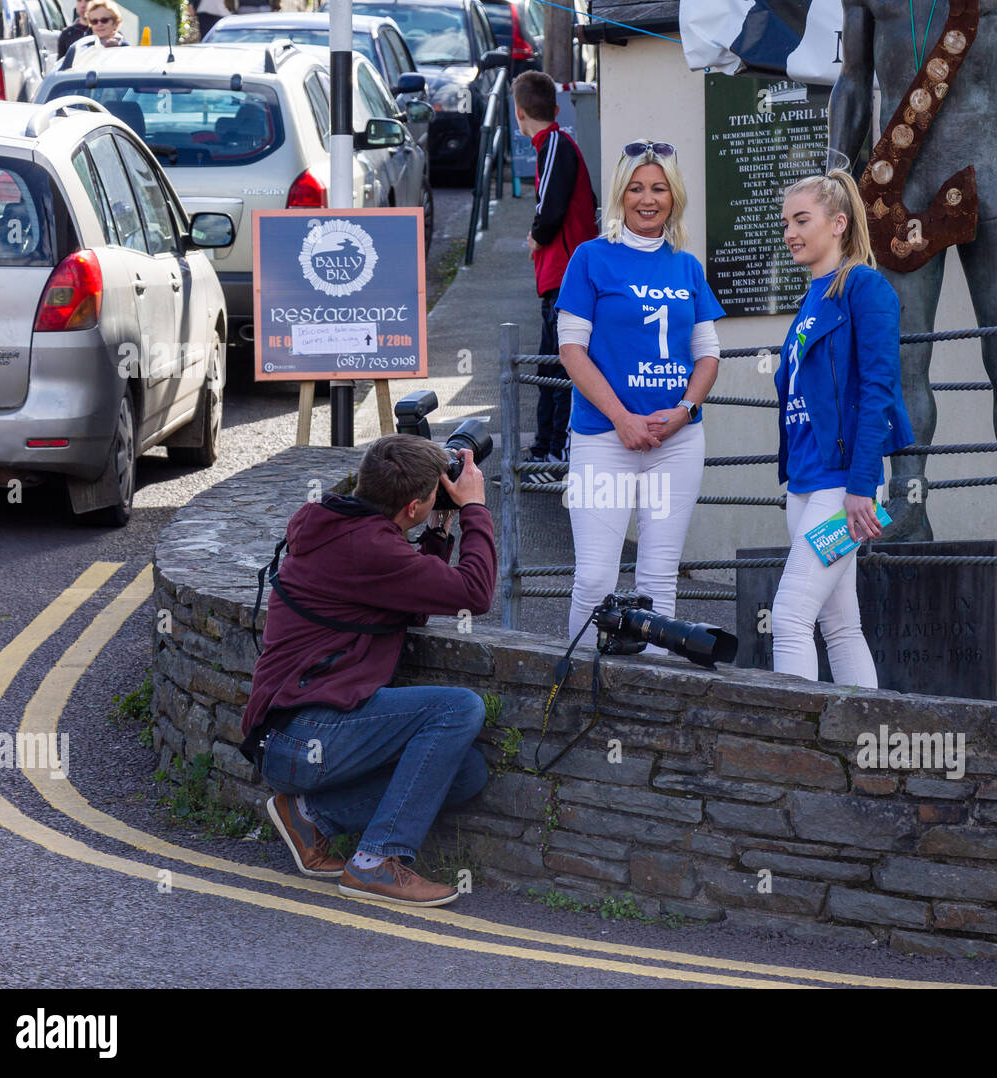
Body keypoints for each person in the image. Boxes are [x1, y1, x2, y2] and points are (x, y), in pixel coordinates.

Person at [829, 0, 997, 541]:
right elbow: (851, 81)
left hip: (988, 179)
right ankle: (908, 502)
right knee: (902, 359)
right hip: (902, 188)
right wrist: (835, 174)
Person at [239, 435, 496, 907]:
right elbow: (475, 592)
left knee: (465, 771)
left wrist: (439, 525)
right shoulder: (370, 549)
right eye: (434, 499)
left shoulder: (338, 524)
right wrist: (475, 508)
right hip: (301, 733)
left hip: (290, 734)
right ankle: (376, 861)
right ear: (413, 506)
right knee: (459, 710)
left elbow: (412, 599)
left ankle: (310, 816)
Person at [556, 140, 724, 649]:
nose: (647, 199)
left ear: (674, 196)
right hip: (603, 438)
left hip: (675, 443)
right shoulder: (590, 258)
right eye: (636, 188)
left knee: (658, 583)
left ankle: (654, 698)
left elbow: (708, 355)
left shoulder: (686, 267)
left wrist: (685, 409)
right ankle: (582, 692)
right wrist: (623, 418)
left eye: (658, 188)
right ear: (619, 194)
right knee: (594, 580)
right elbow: (571, 351)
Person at [770, 171, 915, 684]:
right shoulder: (812, 299)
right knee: (840, 623)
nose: (790, 231)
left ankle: (796, 749)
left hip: (843, 486)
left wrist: (861, 487)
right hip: (807, 484)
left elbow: (879, 389)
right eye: (786, 222)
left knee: (788, 617)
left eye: (801, 220)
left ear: (838, 223)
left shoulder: (865, 287)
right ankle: (861, 745)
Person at [512, 71, 598, 488]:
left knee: (559, 370)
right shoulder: (559, 145)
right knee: (552, 368)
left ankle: (557, 456)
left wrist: (534, 236)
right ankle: (545, 449)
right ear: (556, 107)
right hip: (563, 278)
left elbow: (549, 211)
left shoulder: (555, 146)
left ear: (519, 112)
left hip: (563, 277)